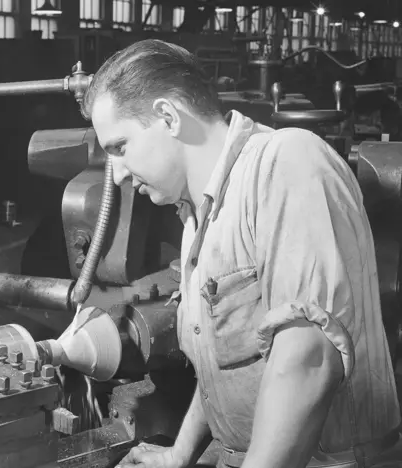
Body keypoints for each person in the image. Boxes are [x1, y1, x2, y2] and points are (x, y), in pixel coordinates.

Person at [81, 39, 402, 468]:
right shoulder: (198, 217)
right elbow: (226, 367)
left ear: (167, 116)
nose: (117, 173)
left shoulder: (286, 161)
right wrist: (181, 454)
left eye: (120, 147)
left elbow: (307, 360)